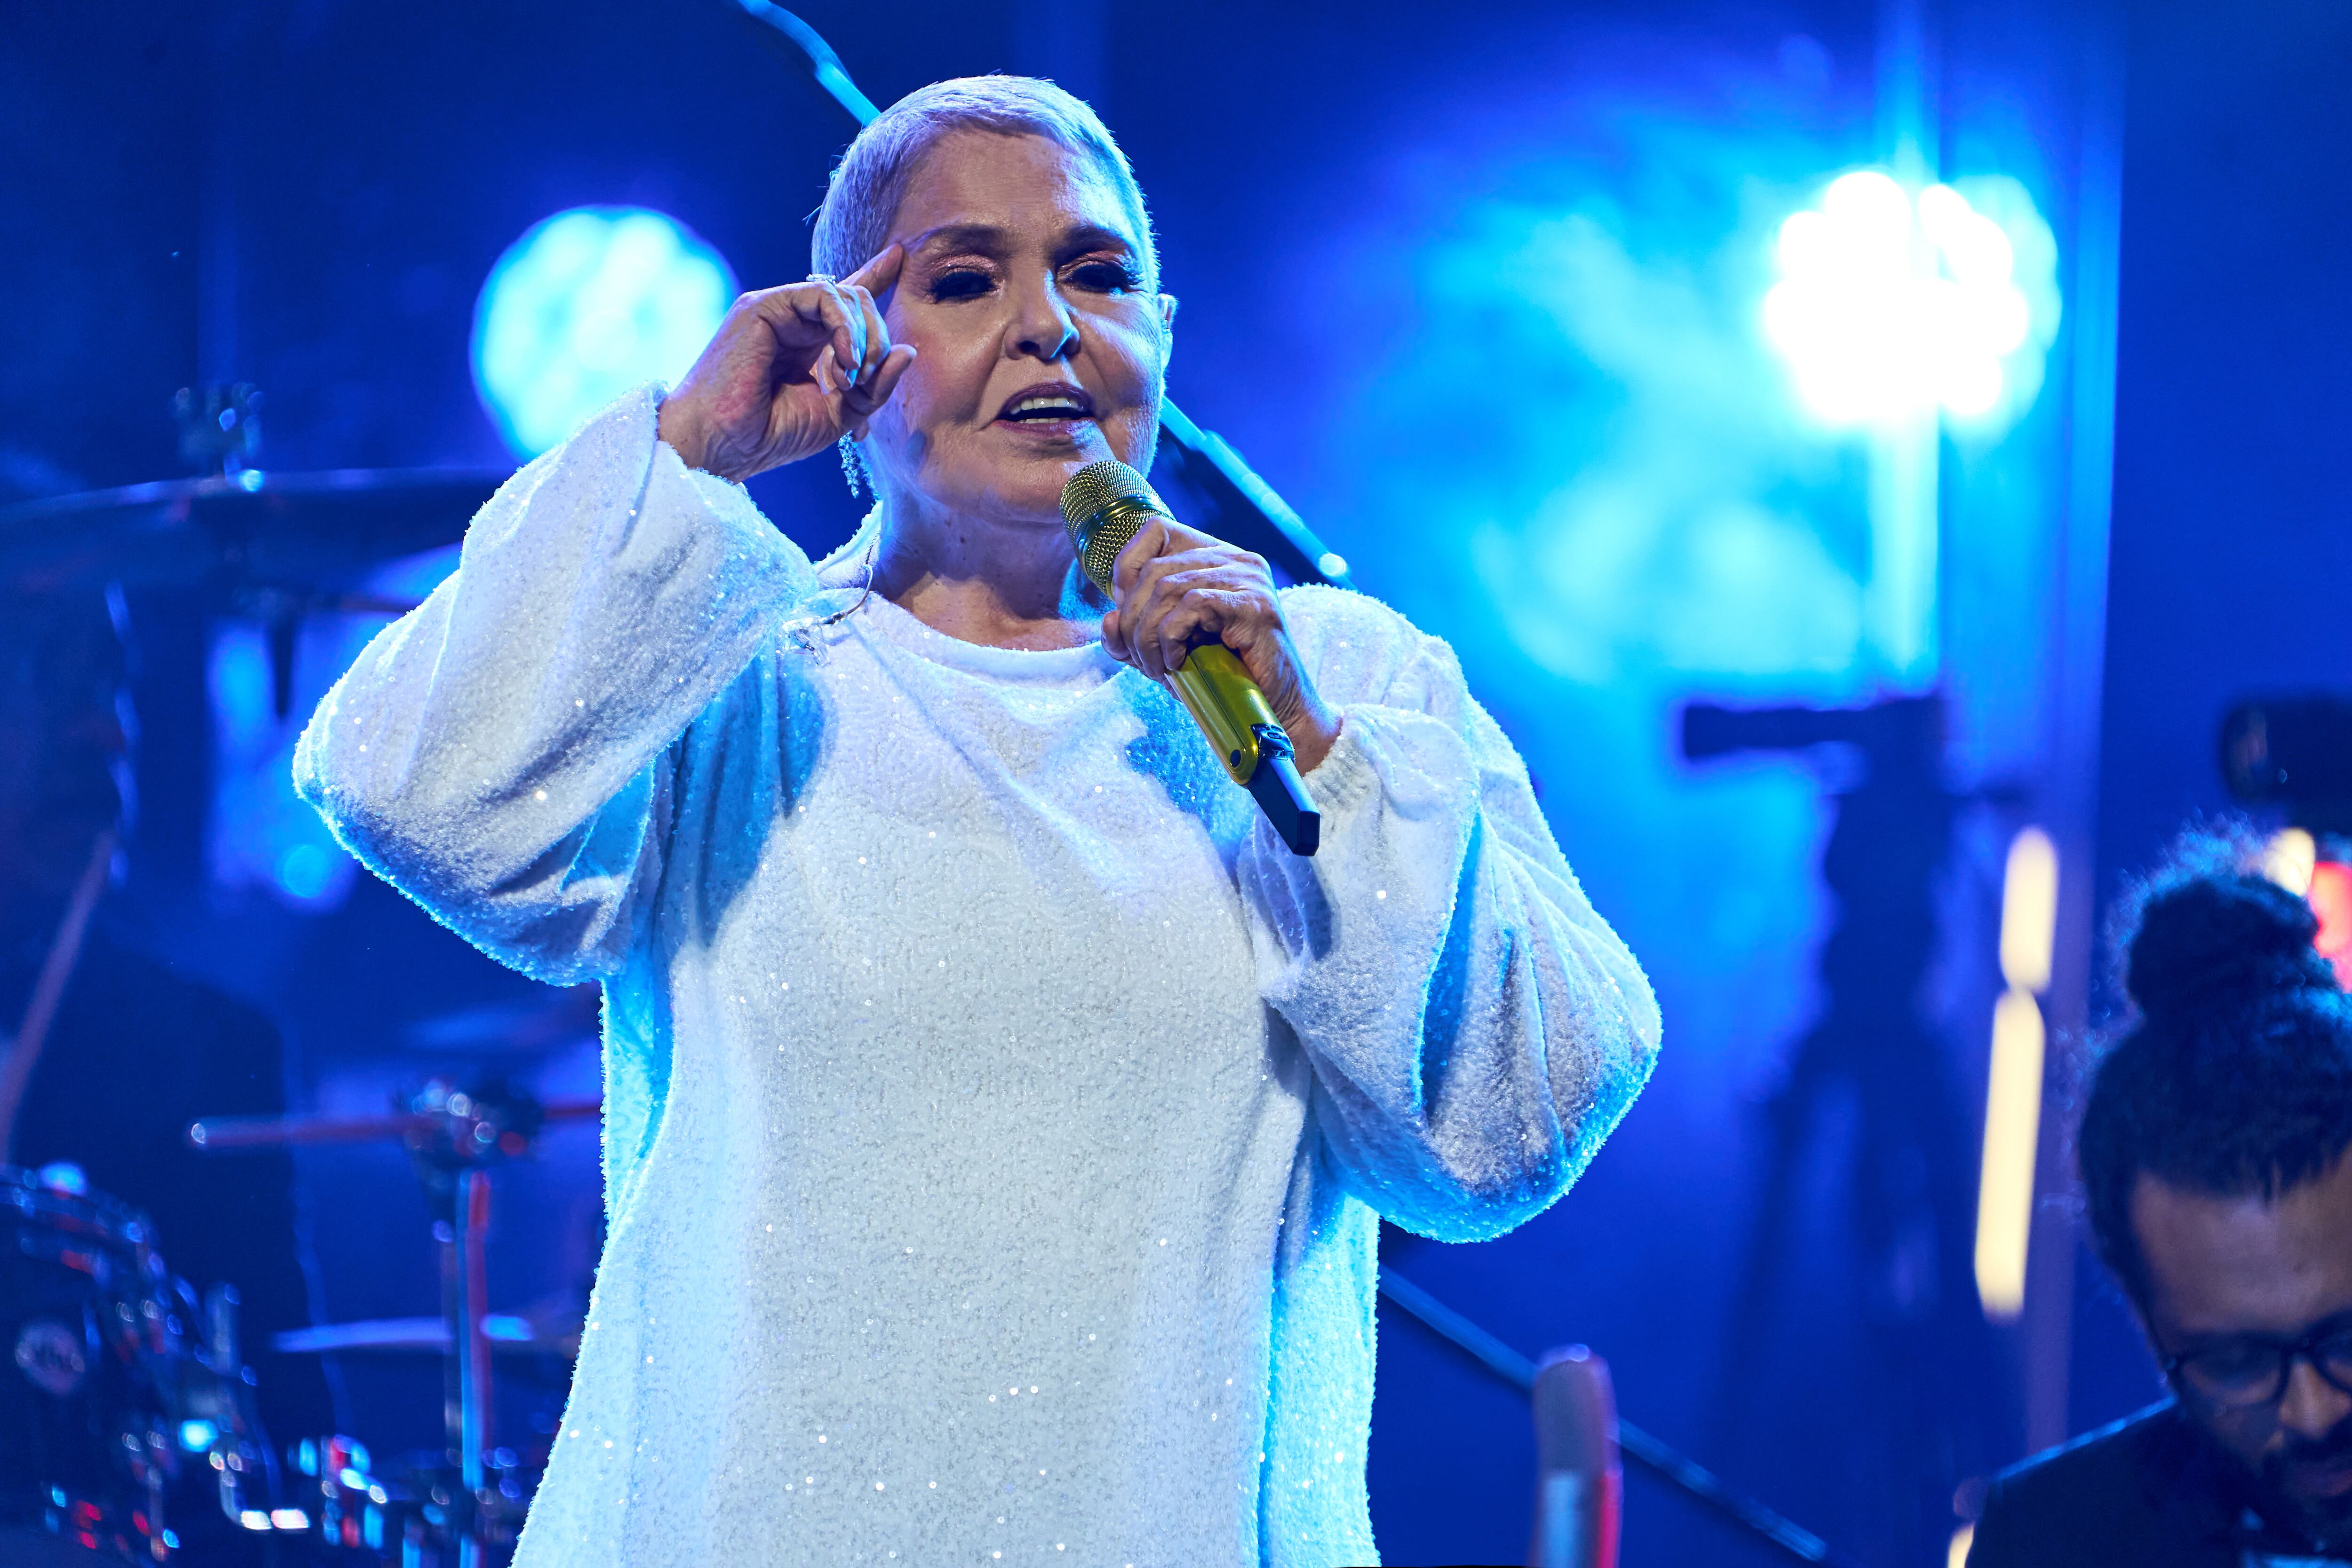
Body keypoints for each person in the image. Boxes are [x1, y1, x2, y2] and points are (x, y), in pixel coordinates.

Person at [295, 75, 1660, 1565]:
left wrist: (1316, 747)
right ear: (849, 347)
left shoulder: (1341, 677)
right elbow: (409, 790)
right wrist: (688, 449)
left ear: (1163, 335)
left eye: (1098, 273)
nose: (1048, 326)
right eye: (963, 280)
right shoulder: (731, 677)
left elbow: (1508, 1129)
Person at [0, 583, 327, 1546]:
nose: (107, 733)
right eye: (50, 682)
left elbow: (287, 1424)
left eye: (115, 687)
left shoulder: (211, 1050)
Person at [1969, 829, 2352, 1565]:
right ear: (2148, 1326)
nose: (2314, 1414)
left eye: (2347, 1339)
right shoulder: (2048, 1540)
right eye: (2237, 1363)